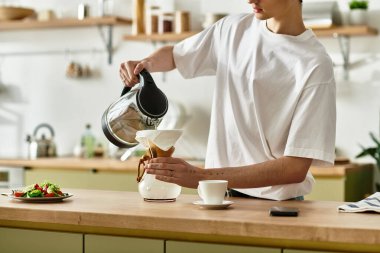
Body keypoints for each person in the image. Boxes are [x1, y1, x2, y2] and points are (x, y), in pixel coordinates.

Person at [119, 0, 336, 201]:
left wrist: (200, 175)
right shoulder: (233, 29)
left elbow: (294, 168)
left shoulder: (315, 64)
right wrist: (145, 63)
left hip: (275, 206)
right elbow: (176, 55)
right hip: (216, 197)